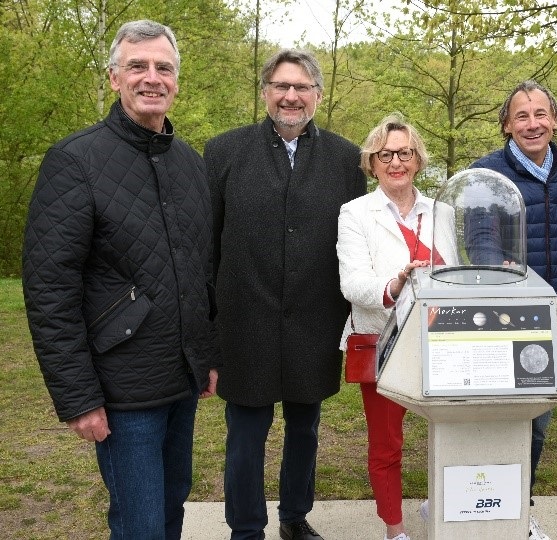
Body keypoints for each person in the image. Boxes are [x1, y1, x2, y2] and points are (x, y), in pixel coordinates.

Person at [21, 19, 219, 539]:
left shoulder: (189, 164)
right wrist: (78, 396)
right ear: (114, 78)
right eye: (138, 66)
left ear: (176, 80)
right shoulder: (75, 160)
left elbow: (200, 272)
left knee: (172, 508)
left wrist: (208, 355)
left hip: (180, 380)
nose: (151, 77)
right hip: (121, 390)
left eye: (163, 67)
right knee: (141, 525)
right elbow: (49, 288)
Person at [205, 49, 366, 540]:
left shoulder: (344, 158)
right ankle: (246, 528)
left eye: (301, 87)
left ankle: (295, 518)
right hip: (243, 322)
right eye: (281, 86)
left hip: (314, 324)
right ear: (265, 93)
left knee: (305, 431)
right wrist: (209, 327)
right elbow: (206, 245)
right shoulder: (224, 152)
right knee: (246, 437)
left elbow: (355, 241)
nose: (291, 96)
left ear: (318, 94)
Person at [469, 80, 557, 540]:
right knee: (491, 415)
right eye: (522, 115)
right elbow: (480, 244)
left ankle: (518, 507)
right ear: (506, 125)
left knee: (537, 419)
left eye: (541, 114)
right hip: (504, 315)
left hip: (554, 316)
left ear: (555, 120)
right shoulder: (486, 174)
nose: (533, 123)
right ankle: (477, 502)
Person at [336, 114, 454, 540]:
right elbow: (352, 283)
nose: (396, 162)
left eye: (404, 152)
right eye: (385, 154)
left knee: (454, 432)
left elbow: (456, 274)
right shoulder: (355, 214)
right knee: (387, 444)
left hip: (442, 346)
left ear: (418, 159)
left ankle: (441, 506)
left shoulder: (443, 212)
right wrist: (396, 282)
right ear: (372, 163)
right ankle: (395, 529)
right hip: (384, 344)